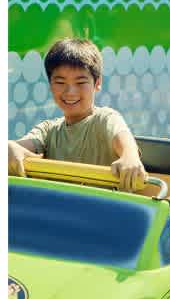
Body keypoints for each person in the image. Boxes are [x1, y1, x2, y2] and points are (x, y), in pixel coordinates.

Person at [7, 38, 147, 191]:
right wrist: (9, 147)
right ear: (50, 85)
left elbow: (124, 139)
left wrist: (130, 156)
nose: (70, 92)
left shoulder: (105, 118)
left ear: (97, 83)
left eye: (80, 83)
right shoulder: (48, 130)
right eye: (60, 82)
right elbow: (18, 146)